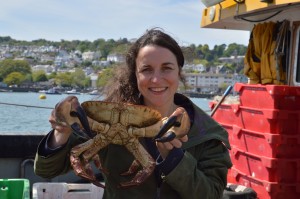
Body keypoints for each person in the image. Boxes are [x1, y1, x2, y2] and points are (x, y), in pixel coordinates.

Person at [34, 28, 232, 199]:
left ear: (179, 72)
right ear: (135, 75)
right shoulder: (106, 117)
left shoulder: (206, 133)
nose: (156, 79)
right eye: (146, 69)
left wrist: (175, 159)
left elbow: (212, 194)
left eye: (167, 68)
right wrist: (61, 133)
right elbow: (46, 170)